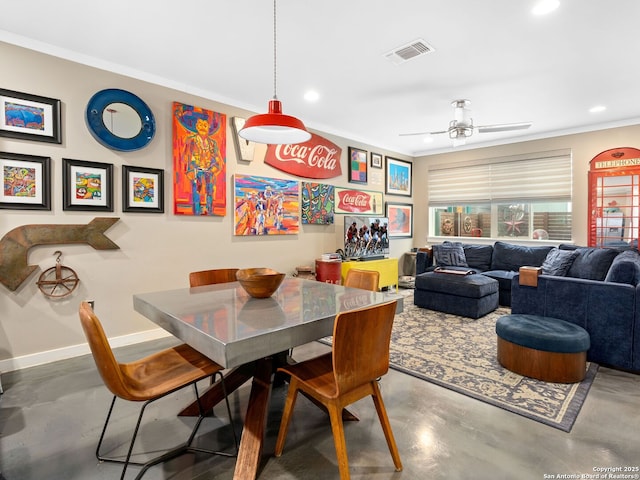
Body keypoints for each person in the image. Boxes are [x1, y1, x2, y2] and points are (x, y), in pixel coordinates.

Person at [183, 116, 222, 215]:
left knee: (210, 192)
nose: (202, 127)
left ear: (208, 127)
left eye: (205, 125)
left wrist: (215, 167)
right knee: (196, 191)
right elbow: (186, 156)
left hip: (209, 170)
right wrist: (189, 171)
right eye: (200, 125)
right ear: (196, 126)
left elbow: (217, 158)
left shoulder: (212, 143)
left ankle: (209, 211)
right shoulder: (191, 140)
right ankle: (197, 211)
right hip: (196, 170)